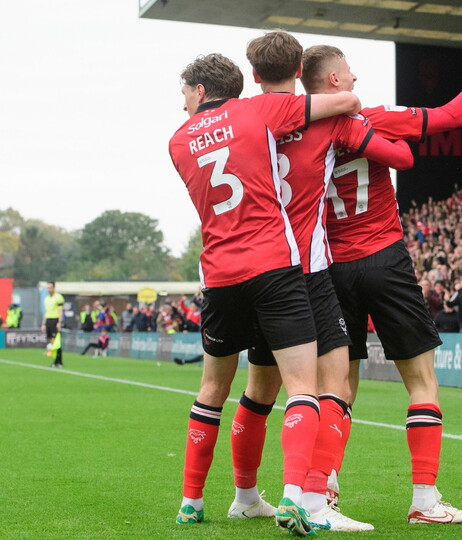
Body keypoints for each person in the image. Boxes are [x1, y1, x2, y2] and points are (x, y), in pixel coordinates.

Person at [306, 44, 462, 524]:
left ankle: (323, 492)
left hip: (329, 266)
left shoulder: (293, 129)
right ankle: (424, 500)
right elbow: (453, 115)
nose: (355, 77)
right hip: (383, 259)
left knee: (337, 387)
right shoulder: (371, 118)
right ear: (333, 80)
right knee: (421, 382)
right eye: (348, 71)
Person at [167, 50, 362, 536]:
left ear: (201, 91)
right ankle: (296, 497)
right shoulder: (257, 110)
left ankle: (194, 502)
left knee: (213, 389)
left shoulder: (176, 141)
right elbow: (343, 101)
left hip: (218, 275)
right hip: (274, 266)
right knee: (302, 387)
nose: (181, 104)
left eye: (184, 94)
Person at [234, 31, 416, 532]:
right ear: (299, 74)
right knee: (324, 386)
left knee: (253, 391)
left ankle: (243, 495)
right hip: (307, 270)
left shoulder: (246, 121)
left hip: (251, 269)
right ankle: (310, 497)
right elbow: (398, 148)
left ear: (253, 77)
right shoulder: (329, 120)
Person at [43, 282, 64, 367]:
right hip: (48, 320)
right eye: (47, 288)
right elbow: (46, 312)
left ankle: (58, 361)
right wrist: (43, 323)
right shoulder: (47, 299)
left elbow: (60, 310)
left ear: (54, 287)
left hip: (55, 320)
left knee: (56, 342)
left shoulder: (59, 297)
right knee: (52, 341)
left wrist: (59, 322)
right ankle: (56, 361)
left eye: (50, 287)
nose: (49, 289)